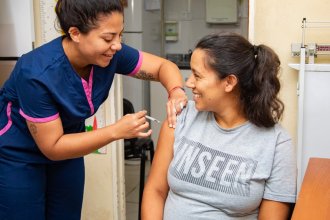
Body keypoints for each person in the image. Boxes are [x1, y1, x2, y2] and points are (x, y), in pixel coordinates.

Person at [0, 0, 187, 219]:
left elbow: (164, 67)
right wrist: (116, 131)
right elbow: (52, 146)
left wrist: (176, 90)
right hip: (19, 155)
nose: (117, 45)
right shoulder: (36, 72)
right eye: (108, 38)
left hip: (69, 149)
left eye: (120, 35)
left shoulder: (112, 54)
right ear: (75, 33)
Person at [142, 32, 297, 220]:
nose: (188, 83)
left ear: (229, 82)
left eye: (197, 76)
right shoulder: (181, 117)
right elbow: (155, 191)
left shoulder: (276, 143)